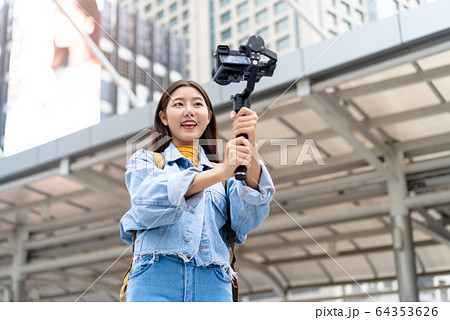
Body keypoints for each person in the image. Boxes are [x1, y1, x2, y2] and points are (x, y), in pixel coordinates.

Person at [119, 80, 275, 302]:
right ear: (163, 117)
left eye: (197, 104)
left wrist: (250, 147)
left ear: (209, 116)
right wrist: (222, 172)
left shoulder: (226, 175)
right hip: (155, 278)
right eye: (179, 104)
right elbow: (146, 204)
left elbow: (247, 219)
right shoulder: (145, 161)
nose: (189, 111)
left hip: (213, 284)